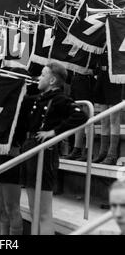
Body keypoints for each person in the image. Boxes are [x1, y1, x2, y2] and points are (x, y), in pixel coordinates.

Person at [18, 61, 88, 234]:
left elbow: (81, 116)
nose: (38, 78)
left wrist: (54, 132)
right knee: (34, 210)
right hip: (31, 150)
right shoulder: (40, 98)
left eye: (42, 74)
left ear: (52, 80)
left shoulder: (60, 99)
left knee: (43, 213)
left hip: (45, 153)